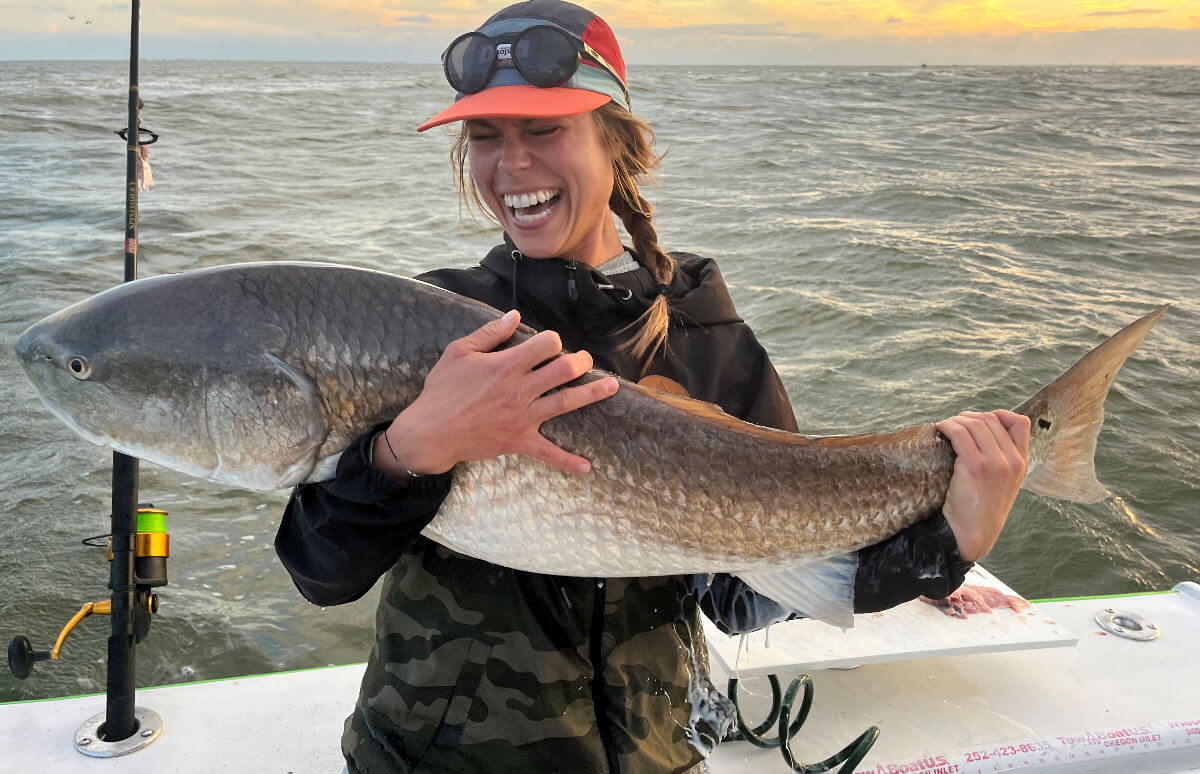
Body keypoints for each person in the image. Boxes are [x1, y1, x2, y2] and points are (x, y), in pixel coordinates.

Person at [274, 2, 1031, 771]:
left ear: (617, 142)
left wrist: (949, 547)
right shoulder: (438, 333)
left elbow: (746, 596)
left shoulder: (711, 341)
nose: (511, 167)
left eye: (543, 131)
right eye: (485, 136)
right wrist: (412, 450)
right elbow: (320, 572)